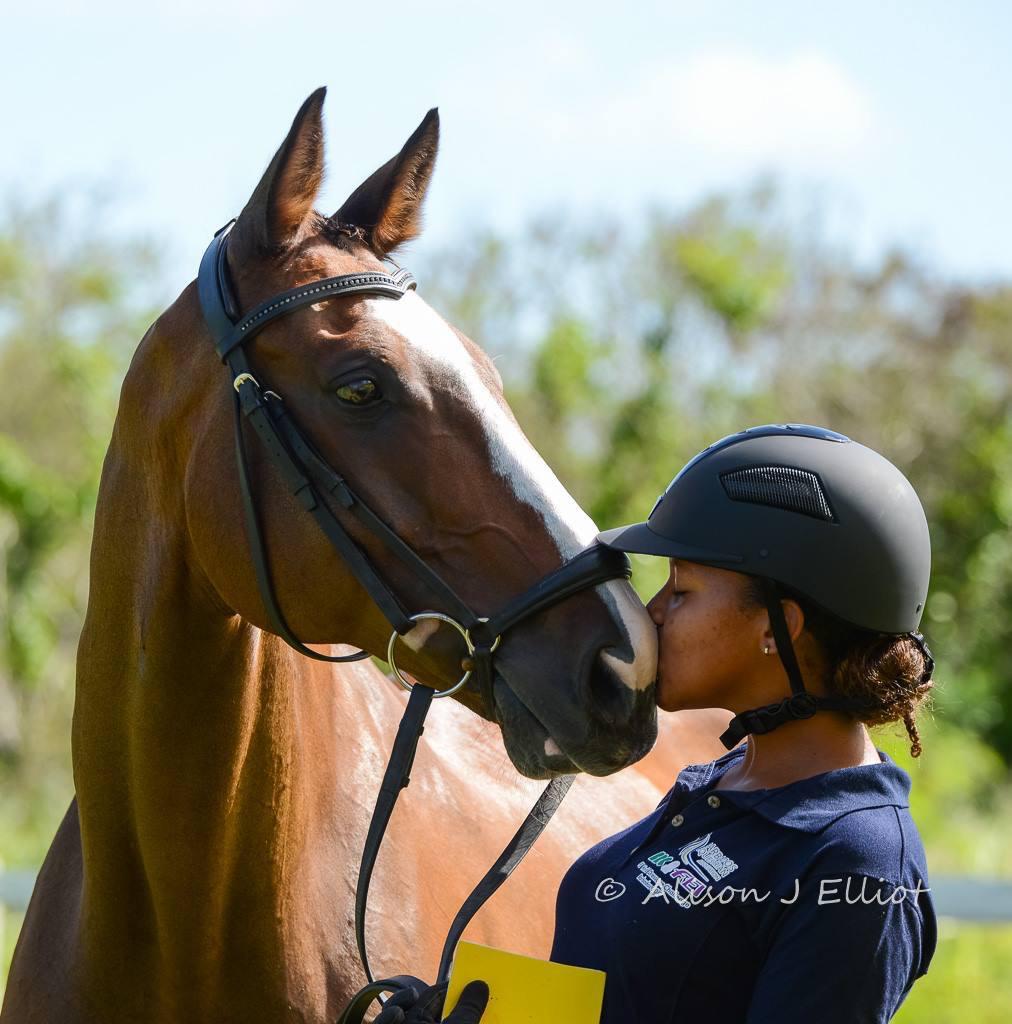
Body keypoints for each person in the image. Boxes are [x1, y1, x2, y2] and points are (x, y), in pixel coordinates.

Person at [376, 423, 938, 1024]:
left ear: (778, 628)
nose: (652, 614)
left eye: (682, 590)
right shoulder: (719, 787)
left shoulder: (858, 865)